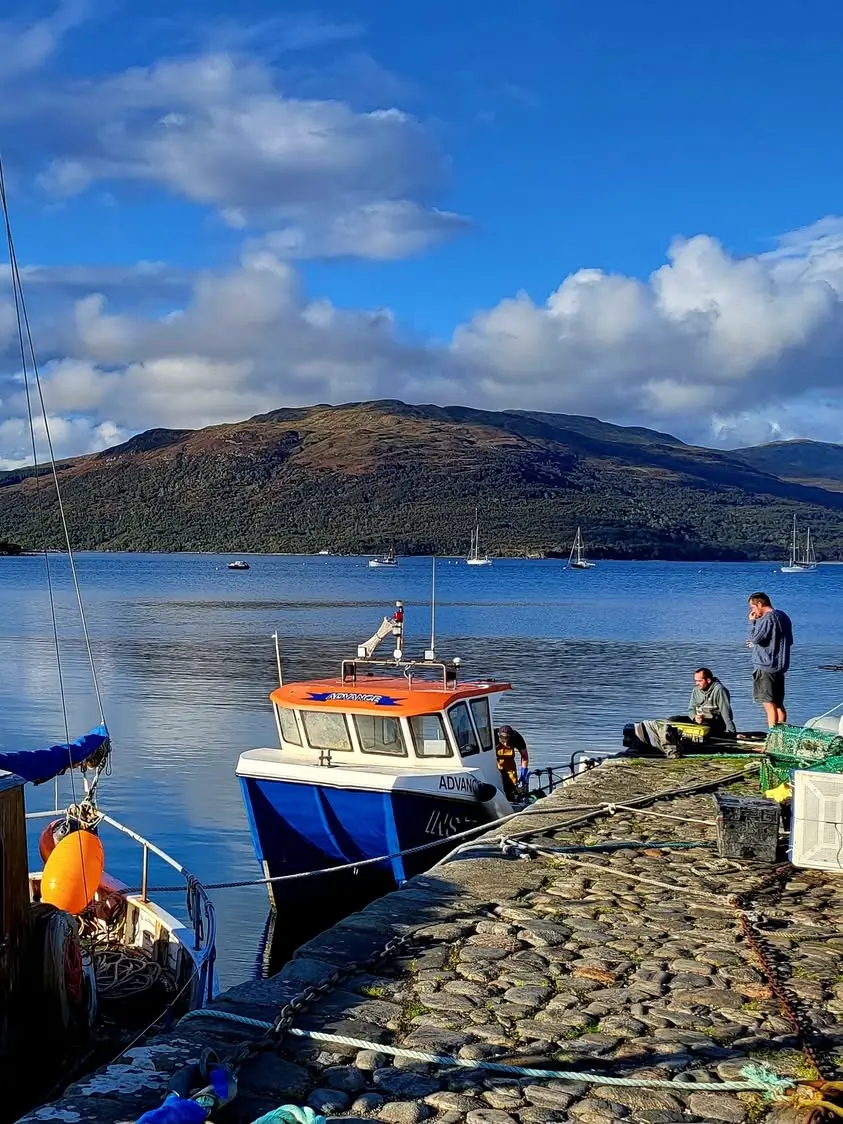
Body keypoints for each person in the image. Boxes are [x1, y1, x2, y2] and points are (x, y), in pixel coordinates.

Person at [747, 592, 793, 727]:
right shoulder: (783, 616)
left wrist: (753, 622)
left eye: (753, 607)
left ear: (760, 604)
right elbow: (789, 641)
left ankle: (772, 734)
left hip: (765, 666)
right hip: (780, 666)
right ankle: (781, 735)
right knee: (778, 704)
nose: (752, 611)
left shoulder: (767, 618)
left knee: (768, 703)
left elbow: (755, 638)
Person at [688, 667, 736, 736]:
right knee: (674, 720)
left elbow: (726, 713)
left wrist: (732, 733)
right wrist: (695, 717)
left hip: (714, 724)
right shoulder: (696, 690)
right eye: (696, 681)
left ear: (708, 680)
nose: (696, 683)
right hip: (699, 723)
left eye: (700, 681)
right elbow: (691, 709)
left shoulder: (719, 690)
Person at [494, 724, 529, 800]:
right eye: (503, 738)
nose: (505, 743)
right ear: (499, 735)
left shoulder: (517, 738)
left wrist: (523, 773)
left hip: (509, 765)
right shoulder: (493, 735)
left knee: (512, 787)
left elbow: (524, 756)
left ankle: (512, 796)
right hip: (495, 763)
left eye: (508, 738)